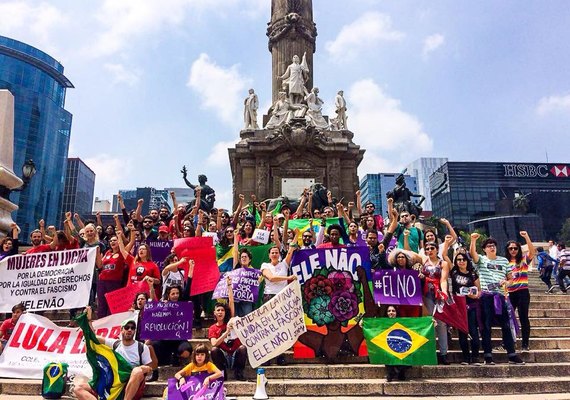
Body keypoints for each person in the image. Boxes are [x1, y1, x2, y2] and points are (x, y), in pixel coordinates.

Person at [73, 311, 156, 400]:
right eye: (127, 327)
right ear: (121, 330)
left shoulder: (142, 347)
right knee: (78, 389)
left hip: (130, 385)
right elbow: (93, 339)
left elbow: (151, 367)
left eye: (132, 328)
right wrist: (89, 320)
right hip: (112, 382)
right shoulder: (115, 344)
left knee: (137, 371)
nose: (129, 330)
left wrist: (145, 368)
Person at [470, 233, 524, 365]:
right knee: (486, 326)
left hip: (500, 297)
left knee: (506, 325)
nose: (492, 247)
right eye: (489, 246)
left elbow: (511, 279)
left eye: (493, 245)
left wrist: (506, 283)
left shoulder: (504, 261)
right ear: (484, 249)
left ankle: (511, 354)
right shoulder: (481, 260)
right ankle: (488, 355)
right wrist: (473, 240)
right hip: (486, 297)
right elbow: (473, 254)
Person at [443, 248, 482, 365]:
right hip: (459, 306)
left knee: (473, 331)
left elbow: (479, 291)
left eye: (463, 259)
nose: (461, 261)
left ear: (467, 261)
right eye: (459, 259)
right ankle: (466, 357)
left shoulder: (473, 274)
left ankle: (475, 357)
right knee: (462, 332)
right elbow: (444, 255)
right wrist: (448, 242)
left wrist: (474, 296)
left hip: (472, 305)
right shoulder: (454, 271)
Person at [260, 245, 297, 365]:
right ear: (269, 255)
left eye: (277, 252)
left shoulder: (284, 264)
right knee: (269, 328)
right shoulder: (265, 266)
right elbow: (271, 278)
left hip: (282, 297)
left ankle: (280, 355)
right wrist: (288, 278)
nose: (275, 254)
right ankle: (268, 355)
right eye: (273, 252)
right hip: (269, 297)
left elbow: (291, 250)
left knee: (281, 327)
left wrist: (296, 235)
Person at [418, 240, 451, 365]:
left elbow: (443, 279)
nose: (430, 250)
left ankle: (444, 353)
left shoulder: (443, 263)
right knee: (428, 322)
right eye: (427, 248)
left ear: (437, 249)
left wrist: (444, 292)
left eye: (432, 248)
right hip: (425, 294)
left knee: (441, 324)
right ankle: (429, 351)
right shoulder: (423, 260)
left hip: (437, 293)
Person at [209, 288, 247, 381]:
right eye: (218, 310)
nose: (220, 312)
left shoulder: (230, 321)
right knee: (214, 350)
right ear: (214, 313)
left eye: (222, 310)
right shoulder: (212, 328)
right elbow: (214, 344)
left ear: (225, 312)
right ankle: (222, 372)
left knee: (243, 348)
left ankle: (239, 372)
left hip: (235, 354)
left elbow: (231, 302)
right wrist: (226, 332)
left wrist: (229, 286)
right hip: (224, 355)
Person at [506, 232, 535, 352]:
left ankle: (525, 344)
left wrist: (526, 237)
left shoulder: (523, 260)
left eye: (515, 248)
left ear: (518, 249)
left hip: (523, 292)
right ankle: (508, 342)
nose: (513, 250)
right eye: (510, 248)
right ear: (507, 250)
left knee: (523, 318)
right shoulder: (505, 262)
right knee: (508, 319)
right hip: (510, 293)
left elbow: (532, 252)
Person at [384, 305, 410, 381]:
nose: (391, 313)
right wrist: (364, 324)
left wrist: (430, 323)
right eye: (389, 311)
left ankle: (400, 371)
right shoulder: (382, 323)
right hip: (388, 347)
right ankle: (391, 372)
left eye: (393, 311)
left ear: (396, 312)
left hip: (401, 347)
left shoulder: (403, 322)